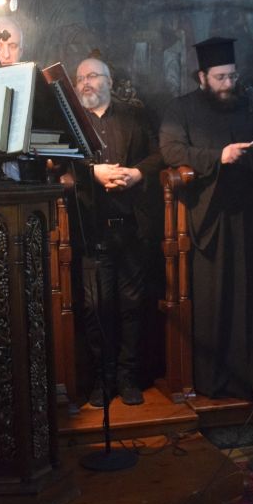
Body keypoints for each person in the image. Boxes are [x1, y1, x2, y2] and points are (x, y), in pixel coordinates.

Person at [159, 37, 253, 399]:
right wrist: (217, 156)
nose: (228, 84)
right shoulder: (181, 109)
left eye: (232, 76)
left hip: (249, 214)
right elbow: (170, 150)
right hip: (210, 216)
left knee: (252, 296)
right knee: (218, 298)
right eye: (220, 77)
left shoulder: (249, 104)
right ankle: (216, 379)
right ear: (202, 77)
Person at [70, 56, 160, 406]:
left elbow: (158, 155)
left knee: (132, 305)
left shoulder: (134, 116)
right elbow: (57, 161)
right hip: (93, 229)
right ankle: (102, 380)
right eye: (80, 78)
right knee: (96, 307)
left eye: (93, 76)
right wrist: (93, 173)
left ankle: (128, 377)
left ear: (109, 81)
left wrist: (136, 173)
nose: (86, 82)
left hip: (133, 227)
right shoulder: (72, 123)